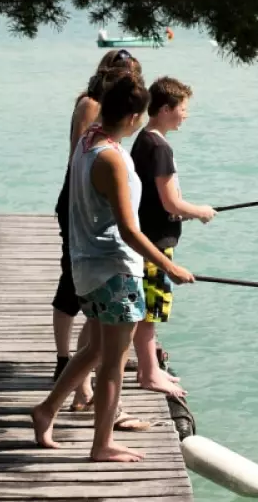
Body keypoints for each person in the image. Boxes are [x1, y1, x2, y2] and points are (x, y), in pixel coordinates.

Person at [32, 74, 194, 462]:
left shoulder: (87, 142)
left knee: (93, 350)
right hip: (115, 270)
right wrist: (168, 267)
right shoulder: (113, 159)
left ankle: (46, 410)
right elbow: (129, 229)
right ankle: (101, 444)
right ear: (136, 116)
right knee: (112, 365)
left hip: (87, 267)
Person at [51, 50, 141, 402]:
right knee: (73, 284)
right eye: (126, 77)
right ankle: (67, 365)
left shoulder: (115, 120)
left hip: (96, 204)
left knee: (93, 308)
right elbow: (81, 160)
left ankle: (78, 387)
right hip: (81, 202)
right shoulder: (92, 106)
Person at [130, 77, 216, 397]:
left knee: (145, 308)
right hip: (155, 242)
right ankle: (150, 374)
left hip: (146, 234)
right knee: (150, 310)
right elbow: (170, 202)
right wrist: (199, 211)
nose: (186, 115)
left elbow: (157, 199)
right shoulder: (160, 148)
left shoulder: (143, 140)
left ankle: (145, 368)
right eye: (183, 108)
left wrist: (182, 212)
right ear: (166, 109)